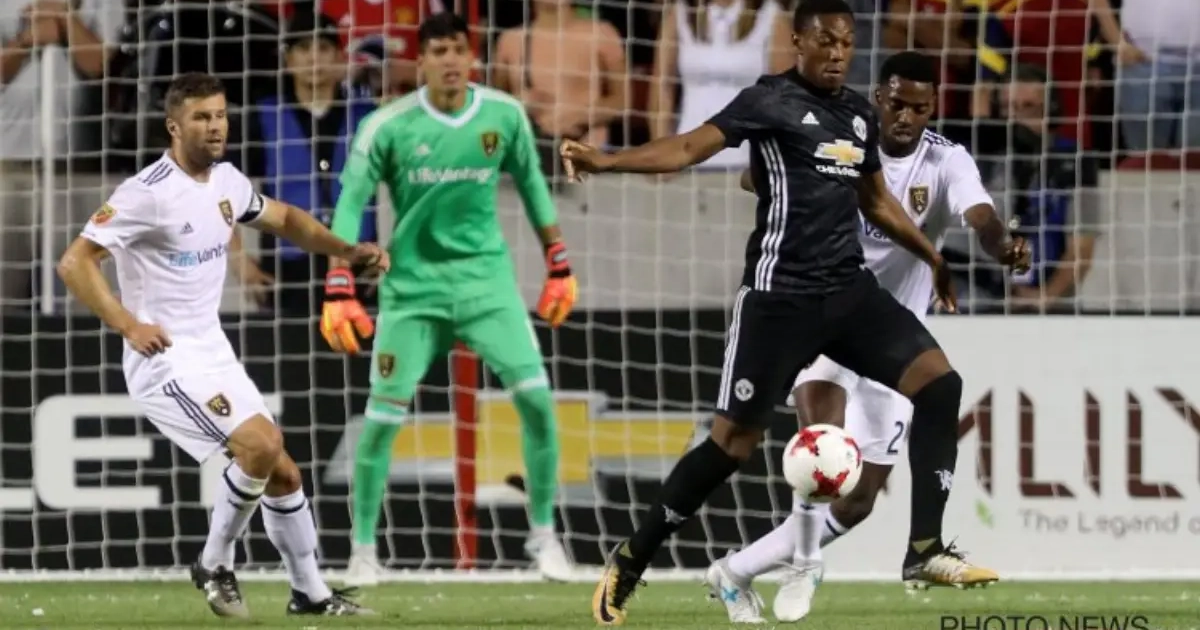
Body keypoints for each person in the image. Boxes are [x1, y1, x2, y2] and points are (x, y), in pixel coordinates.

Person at [560, 1, 998, 624]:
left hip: (847, 292)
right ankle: (631, 559)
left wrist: (932, 256)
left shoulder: (857, 115)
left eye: (846, 42)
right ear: (798, 41)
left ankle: (924, 548)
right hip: (778, 300)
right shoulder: (768, 101)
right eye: (825, 40)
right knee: (730, 446)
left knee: (939, 383)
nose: (837, 52)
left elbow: (875, 201)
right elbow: (686, 147)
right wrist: (606, 161)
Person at [712, 52, 1029, 624]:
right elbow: (755, 174)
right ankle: (805, 565)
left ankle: (735, 571)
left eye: (919, 108)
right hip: (826, 317)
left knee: (857, 500)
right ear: (878, 98)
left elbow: (981, 216)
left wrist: (1002, 243)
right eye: (897, 103)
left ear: (933, 108)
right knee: (823, 448)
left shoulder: (946, 160)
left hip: (891, 341)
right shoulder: (842, 141)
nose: (906, 117)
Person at [55, 73, 385, 618]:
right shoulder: (146, 192)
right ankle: (213, 562)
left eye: (221, 115)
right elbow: (75, 262)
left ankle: (310, 594)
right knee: (261, 444)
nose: (215, 127)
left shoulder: (227, 180)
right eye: (201, 118)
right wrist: (128, 324)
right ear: (174, 126)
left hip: (212, 350)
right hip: (163, 359)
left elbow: (286, 219)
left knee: (283, 472)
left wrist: (347, 250)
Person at [324, 13, 577, 586]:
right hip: (412, 291)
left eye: (457, 49)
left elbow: (533, 185)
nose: (450, 60)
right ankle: (363, 550)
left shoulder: (503, 115)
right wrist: (339, 282)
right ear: (421, 61)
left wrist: (558, 262)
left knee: (538, 404)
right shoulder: (386, 126)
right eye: (438, 51)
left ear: (471, 54)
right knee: (380, 423)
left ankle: (544, 536)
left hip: (487, 285)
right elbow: (350, 202)